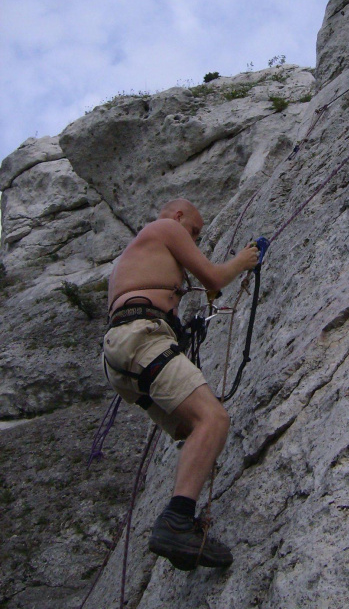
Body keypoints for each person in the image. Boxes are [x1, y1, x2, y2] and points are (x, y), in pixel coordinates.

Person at [103, 198, 259, 570]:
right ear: (178, 216)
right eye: (194, 230)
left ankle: (182, 533)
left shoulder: (144, 259)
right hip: (142, 337)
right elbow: (216, 277)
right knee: (214, 420)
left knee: (196, 429)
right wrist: (245, 258)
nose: (194, 237)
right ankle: (177, 521)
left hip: (123, 356)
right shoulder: (166, 228)